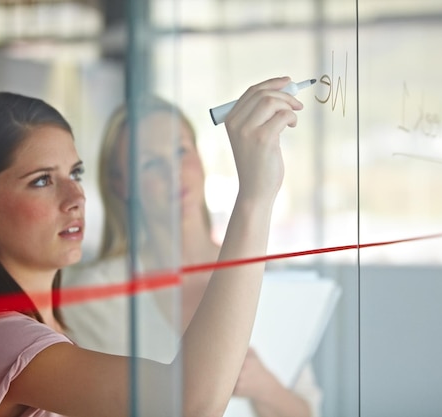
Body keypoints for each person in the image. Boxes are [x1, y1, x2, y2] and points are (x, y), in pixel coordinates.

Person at [0, 76, 304, 417]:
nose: (74, 196)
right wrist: (254, 196)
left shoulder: (45, 331)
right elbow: (188, 403)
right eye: (42, 180)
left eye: (74, 173)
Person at [61, 95, 322, 417]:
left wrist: (263, 386)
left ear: (200, 155)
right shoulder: (91, 296)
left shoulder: (269, 278)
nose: (174, 173)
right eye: (150, 163)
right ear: (120, 183)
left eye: (181, 152)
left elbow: (308, 411)